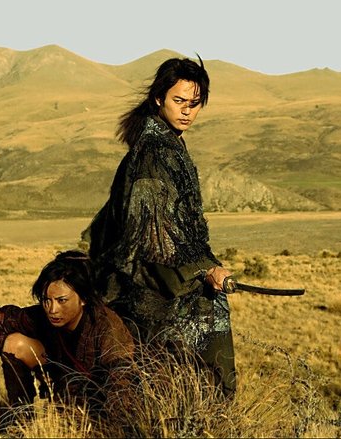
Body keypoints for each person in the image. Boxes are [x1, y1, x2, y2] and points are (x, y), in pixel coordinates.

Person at [85, 56, 237, 396]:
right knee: (191, 380)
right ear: (158, 99)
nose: (187, 111)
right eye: (179, 101)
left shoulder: (167, 142)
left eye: (194, 104)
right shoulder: (156, 150)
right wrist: (205, 269)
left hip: (160, 277)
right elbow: (156, 232)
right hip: (156, 284)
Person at [0, 250, 135, 418]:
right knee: (13, 343)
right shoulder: (44, 315)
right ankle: (20, 417)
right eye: (47, 300)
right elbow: (3, 317)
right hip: (60, 383)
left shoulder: (106, 326)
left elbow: (121, 381)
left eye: (62, 301)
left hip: (96, 400)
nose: (52, 309)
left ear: (83, 299)